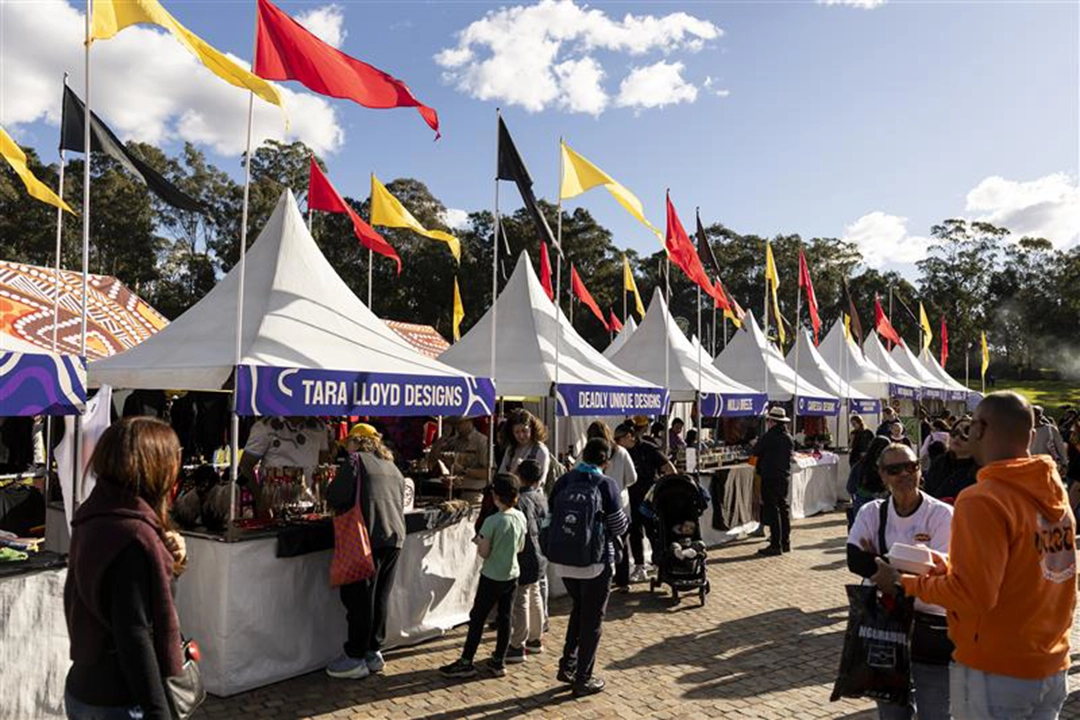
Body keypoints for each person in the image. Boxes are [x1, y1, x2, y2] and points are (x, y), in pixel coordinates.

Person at [873, 391, 1077, 719]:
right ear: (1032, 434)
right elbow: (1025, 570)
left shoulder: (982, 499)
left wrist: (904, 583)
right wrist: (950, 568)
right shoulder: (1053, 492)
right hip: (1050, 665)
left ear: (979, 429)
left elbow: (974, 595)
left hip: (999, 671)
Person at [64, 417, 190, 720]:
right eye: (174, 456)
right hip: (119, 698)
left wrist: (171, 555)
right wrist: (159, 712)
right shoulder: (132, 534)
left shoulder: (98, 513)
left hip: (87, 686)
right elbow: (134, 634)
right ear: (153, 464)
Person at [847, 443, 954, 720]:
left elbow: (941, 571)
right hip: (886, 625)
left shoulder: (942, 514)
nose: (905, 473)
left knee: (936, 713)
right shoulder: (871, 512)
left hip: (932, 628)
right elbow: (854, 559)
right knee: (892, 712)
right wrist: (912, 568)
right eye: (895, 469)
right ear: (882, 475)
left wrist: (886, 568)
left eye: (912, 466)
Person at [547, 438, 629, 696]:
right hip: (596, 562)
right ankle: (583, 678)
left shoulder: (565, 481)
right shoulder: (607, 485)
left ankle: (568, 665)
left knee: (579, 610)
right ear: (606, 461)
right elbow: (619, 526)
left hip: (564, 562)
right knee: (592, 620)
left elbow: (551, 516)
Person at [325, 424, 406, 679]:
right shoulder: (392, 466)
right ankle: (373, 651)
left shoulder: (355, 461)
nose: (346, 446)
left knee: (359, 599)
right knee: (379, 597)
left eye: (349, 442)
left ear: (357, 442)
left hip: (366, 536)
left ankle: (355, 656)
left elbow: (337, 496)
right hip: (394, 536)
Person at [441, 474, 526, 679]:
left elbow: (484, 553)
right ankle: (499, 660)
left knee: (477, 617)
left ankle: (466, 660)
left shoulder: (492, 521)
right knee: (505, 618)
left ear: (496, 496)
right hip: (512, 573)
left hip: (492, 575)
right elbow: (521, 547)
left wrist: (479, 542)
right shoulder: (520, 517)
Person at [505, 461, 548, 663]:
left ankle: (517, 644)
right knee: (535, 593)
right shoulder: (541, 497)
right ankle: (535, 639)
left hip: (526, 554)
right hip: (540, 552)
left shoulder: (520, 500)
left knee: (522, 597)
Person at [625, 422, 676, 582]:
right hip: (631, 498)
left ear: (630, 436)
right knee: (635, 533)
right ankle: (639, 566)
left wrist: (666, 487)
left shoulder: (648, 448)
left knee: (654, 532)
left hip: (649, 499)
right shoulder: (622, 451)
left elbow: (669, 467)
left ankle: (659, 563)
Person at [751, 406, 795, 556]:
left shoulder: (769, 436)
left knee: (773, 508)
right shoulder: (788, 437)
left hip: (770, 476)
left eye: (769, 420)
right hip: (783, 476)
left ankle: (776, 543)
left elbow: (756, 450)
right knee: (783, 508)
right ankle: (785, 541)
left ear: (773, 422)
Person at [603, 423, 638, 590]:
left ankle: (605, 579)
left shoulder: (590, 451)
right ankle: (622, 581)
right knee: (621, 543)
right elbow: (632, 478)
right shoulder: (621, 452)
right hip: (620, 505)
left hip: (600, 506)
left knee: (602, 543)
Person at [429, 417, 491, 497]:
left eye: (460, 422)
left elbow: (489, 473)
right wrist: (444, 436)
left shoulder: (481, 441)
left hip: (473, 493)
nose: (456, 426)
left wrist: (464, 471)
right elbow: (433, 457)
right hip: (455, 492)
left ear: (469, 421)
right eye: (454, 423)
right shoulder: (455, 441)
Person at [923, 419, 979, 503]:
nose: (957, 438)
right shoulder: (939, 462)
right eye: (955, 432)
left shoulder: (980, 471)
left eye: (966, 434)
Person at [497, 409, 551, 488]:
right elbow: (501, 476)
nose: (521, 436)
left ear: (531, 429)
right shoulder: (511, 449)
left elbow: (540, 482)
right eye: (517, 432)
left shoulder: (540, 450)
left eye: (524, 431)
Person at [846, 436, 893, 526]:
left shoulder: (861, 463)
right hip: (882, 500)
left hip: (862, 499)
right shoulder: (889, 464)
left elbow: (850, 487)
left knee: (863, 529)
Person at [1031, 406, 1068, 476]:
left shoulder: (1050, 429)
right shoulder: (1025, 429)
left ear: (1039, 416)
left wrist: (1064, 464)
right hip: (1030, 465)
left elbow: (1060, 446)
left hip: (1046, 465)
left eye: (1032, 415)